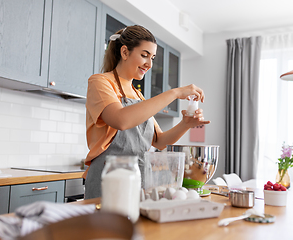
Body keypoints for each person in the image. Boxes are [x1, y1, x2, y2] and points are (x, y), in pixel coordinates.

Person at [83, 25, 210, 199]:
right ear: (125, 52)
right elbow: (121, 120)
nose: (149, 64)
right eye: (144, 55)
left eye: (152, 58)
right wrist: (174, 92)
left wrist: (185, 124)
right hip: (108, 179)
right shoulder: (100, 82)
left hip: (138, 180)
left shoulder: (139, 96)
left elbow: (160, 141)